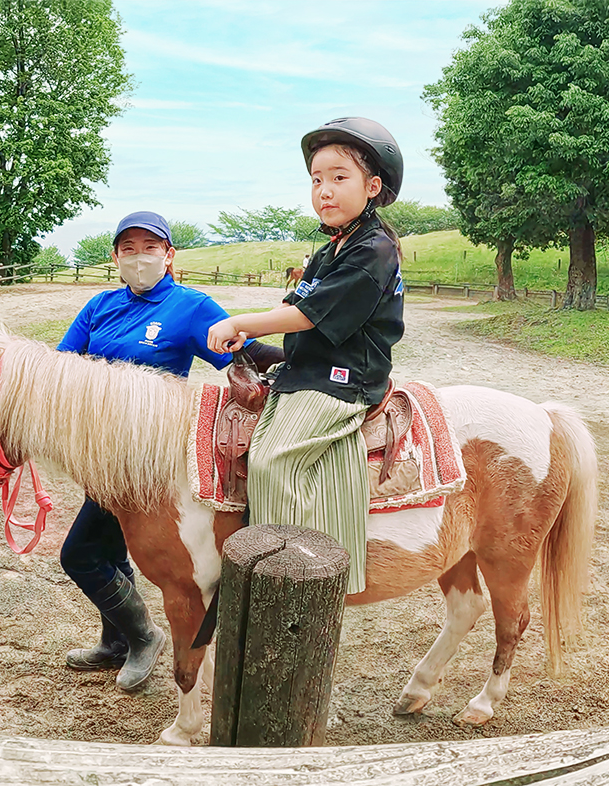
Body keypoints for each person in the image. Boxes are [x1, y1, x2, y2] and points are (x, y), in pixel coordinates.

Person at [58, 210, 282, 691]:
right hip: (101, 457)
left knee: (79, 554)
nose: (140, 257)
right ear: (116, 256)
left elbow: (241, 354)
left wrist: (297, 356)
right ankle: (116, 640)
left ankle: (142, 638)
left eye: (150, 247)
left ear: (169, 255)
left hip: (147, 459)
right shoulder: (98, 306)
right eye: (129, 249)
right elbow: (61, 369)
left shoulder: (189, 306)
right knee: (113, 550)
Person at [207, 117, 405, 594]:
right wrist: (258, 346)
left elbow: (309, 317)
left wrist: (239, 322)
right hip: (308, 370)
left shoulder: (374, 250)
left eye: (340, 177)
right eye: (317, 180)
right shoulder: (326, 252)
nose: (325, 190)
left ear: (372, 187)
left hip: (342, 381)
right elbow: (291, 307)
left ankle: (298, 576)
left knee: (272, 461)